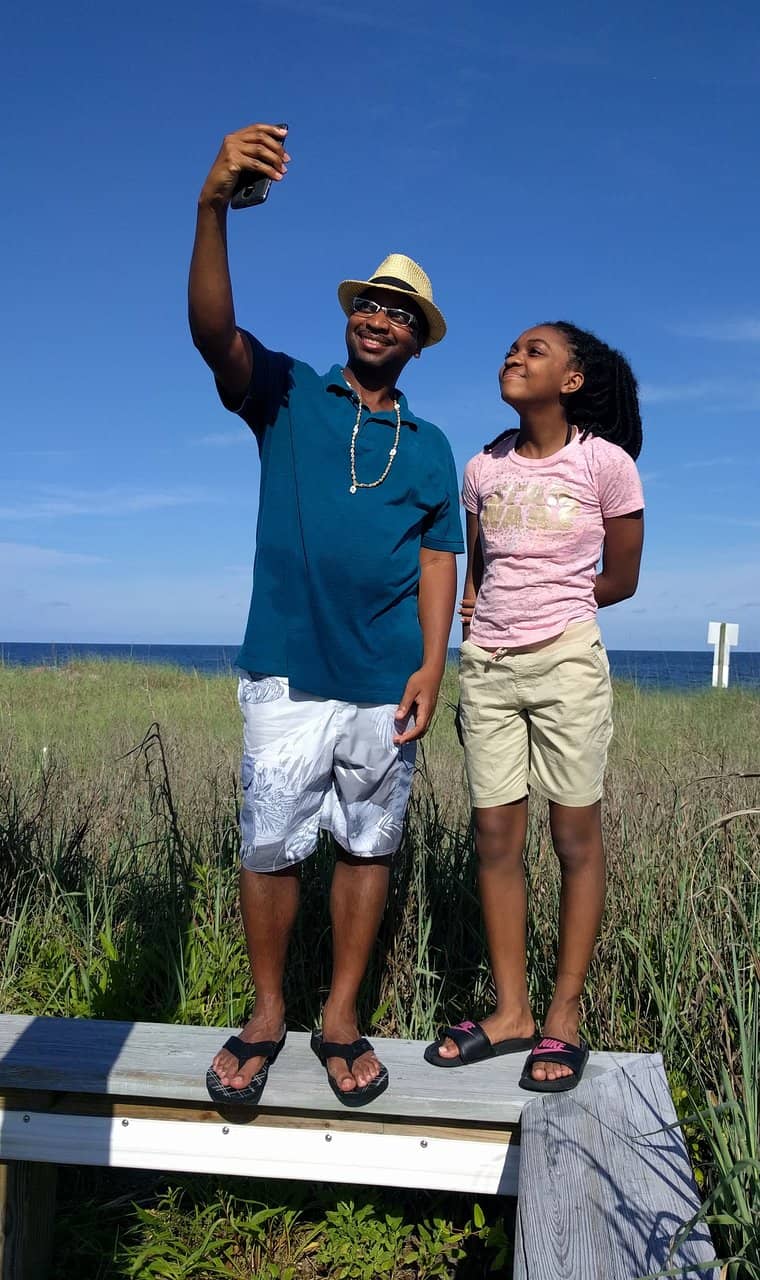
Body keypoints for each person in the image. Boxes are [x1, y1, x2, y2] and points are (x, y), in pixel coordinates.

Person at [188, 122, 463, 1107]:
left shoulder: (429, 445)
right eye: (372, 302)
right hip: (288, 672)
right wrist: (212, 201)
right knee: (269, 843)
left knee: (368, 846)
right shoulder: (289, 396)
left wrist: (434, 665)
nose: (381, 316)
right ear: (354, 318)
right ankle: (268, 1011)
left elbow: (440, 558)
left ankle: (340, 1013)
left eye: (401, 311)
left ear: (416, 337)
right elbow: (213, 331)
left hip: (386, 683)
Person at [424, 321, 644, 1091]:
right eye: (512, 348)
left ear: (574, 379)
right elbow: (478, 563)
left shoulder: (606, 464)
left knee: (573, 833)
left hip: (566, 663)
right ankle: (511, 1010)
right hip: (486, 665)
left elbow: (621, 578)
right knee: (494, 833)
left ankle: (563, 1014)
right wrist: (482, 610)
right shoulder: (482, 464)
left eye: (535, 350)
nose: (514, 356)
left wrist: (558, 609)